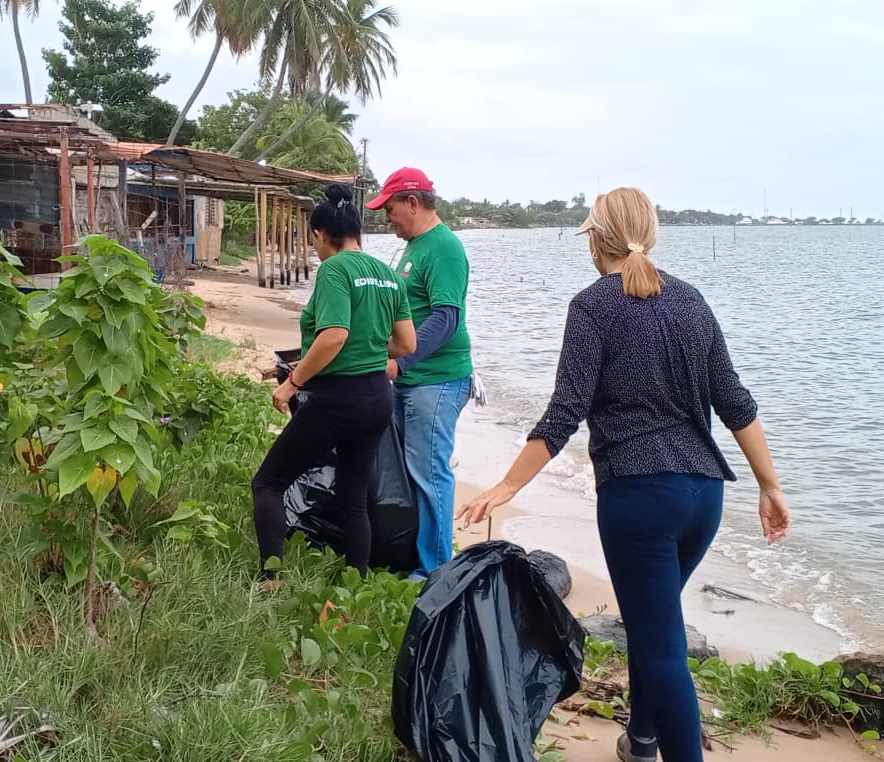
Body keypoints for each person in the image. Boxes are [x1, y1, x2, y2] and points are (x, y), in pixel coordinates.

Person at [456, 187, 791, 762]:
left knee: (662, 647)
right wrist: (770, 484)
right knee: (649, 616)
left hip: (640, 498)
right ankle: (641, 740)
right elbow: (735, 401)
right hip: (703, 495)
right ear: (651, 233)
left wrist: (508, 486)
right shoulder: (691, 301)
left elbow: (564, 413)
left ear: (594, 238)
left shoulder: (591, 307)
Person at [251, 184, 416, 581]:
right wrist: (370, 350)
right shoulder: (387, 275)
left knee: (268, 483)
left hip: (338, 399)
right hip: (378, 397)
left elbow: (334, 336)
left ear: (320, 235)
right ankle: (354, 586)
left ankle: (270, 581)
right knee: (353, 496)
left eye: (315, 242)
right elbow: (406, 343)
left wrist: (292, 382)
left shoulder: (334, 269)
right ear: (358, 232)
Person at [365, 167, 474, 580]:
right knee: (404, 470)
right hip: (409, 379)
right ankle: (411, 553)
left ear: (412, 203)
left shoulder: (443, 248)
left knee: (429, 473)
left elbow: (446, 318)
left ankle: (434, 570)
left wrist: (401, 362)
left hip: (438, 379)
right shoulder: (415, 246)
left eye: (390, 208)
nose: (386, 217)